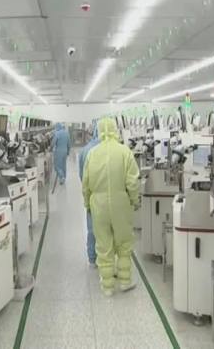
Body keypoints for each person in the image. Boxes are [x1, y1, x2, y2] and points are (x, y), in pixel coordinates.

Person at [82, 118, 140, 296]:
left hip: (98, 205)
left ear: (98, 131)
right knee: (124, 244)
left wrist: (87, 203)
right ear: (116, 129)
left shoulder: (92, 153)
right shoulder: (125, 152)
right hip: (121, 203)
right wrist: (134, 200)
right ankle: (124, 282)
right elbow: (133, 181)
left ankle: (107, 287)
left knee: (103, 244)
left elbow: (86, 183)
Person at [77, 124, 100, 267]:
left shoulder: (85, 150)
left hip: (92, 194)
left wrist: (86, 192)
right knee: (107, 229)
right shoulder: (111, 150)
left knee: (92, 227)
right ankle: (106, 259)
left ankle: (92, 258)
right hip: (109, 196)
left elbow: (82, 175)